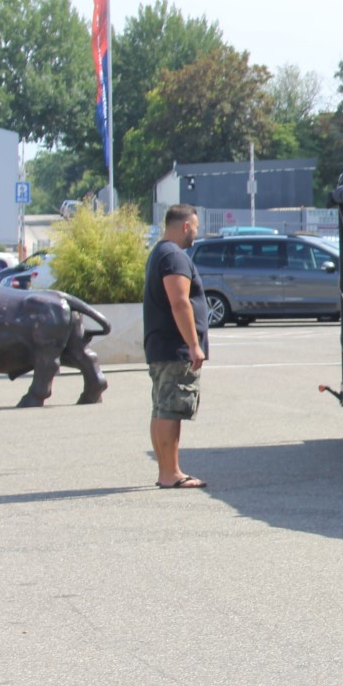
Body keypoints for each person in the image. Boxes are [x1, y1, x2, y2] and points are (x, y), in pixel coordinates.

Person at [144, 204, 210, 489]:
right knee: (170, 409)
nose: (197, 231)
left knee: (161, 409)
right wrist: (193, 344)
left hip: (162, 346)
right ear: (185, 226)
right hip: (175, 349)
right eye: (195, 226)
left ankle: (166, 470)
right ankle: (170, 473)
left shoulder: (160, 252)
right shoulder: (174, 256)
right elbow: (180, 301)